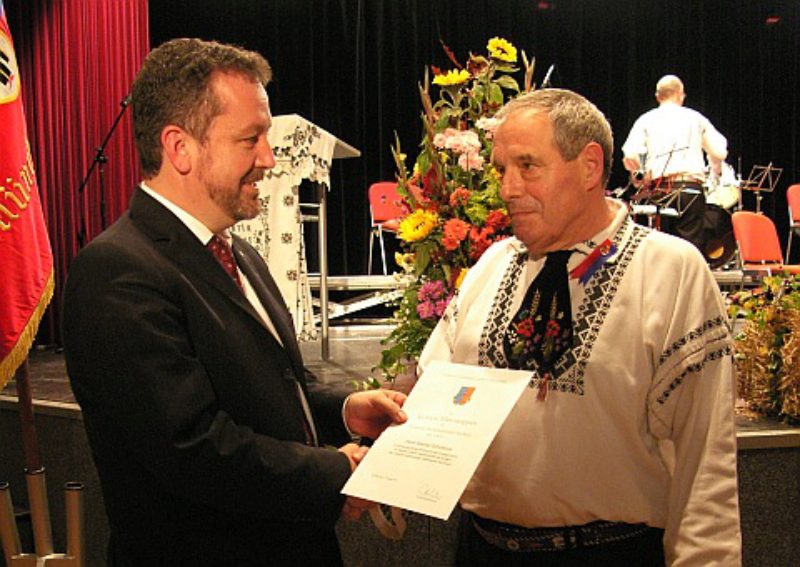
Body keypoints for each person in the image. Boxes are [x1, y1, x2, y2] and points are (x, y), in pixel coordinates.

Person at [61, 38, 406, 566]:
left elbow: (271, 391)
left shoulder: (237, 252)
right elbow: (193, 449)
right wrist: (336, 472)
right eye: (251, 138)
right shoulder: (117, 271)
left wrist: (345, 409)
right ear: (179, 148)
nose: (269, 158)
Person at [418, 88, 741, 565]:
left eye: (527, 166)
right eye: (501, 169)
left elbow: (705, 463)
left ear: (590, 166)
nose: (507, 188)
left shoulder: (670, 270)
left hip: (608, 554)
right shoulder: (492, 263)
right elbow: (434, 398)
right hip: (480, 551)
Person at [621, 74, 728, 255]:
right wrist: (715, 172)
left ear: (657, 96)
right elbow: (719, 151)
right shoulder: (696, 118)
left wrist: (640, 177)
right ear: (680, 95)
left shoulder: (646, 119)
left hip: (660, 192)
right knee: (690, 250)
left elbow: (630, 154)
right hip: (690, 191)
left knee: (662, 248)